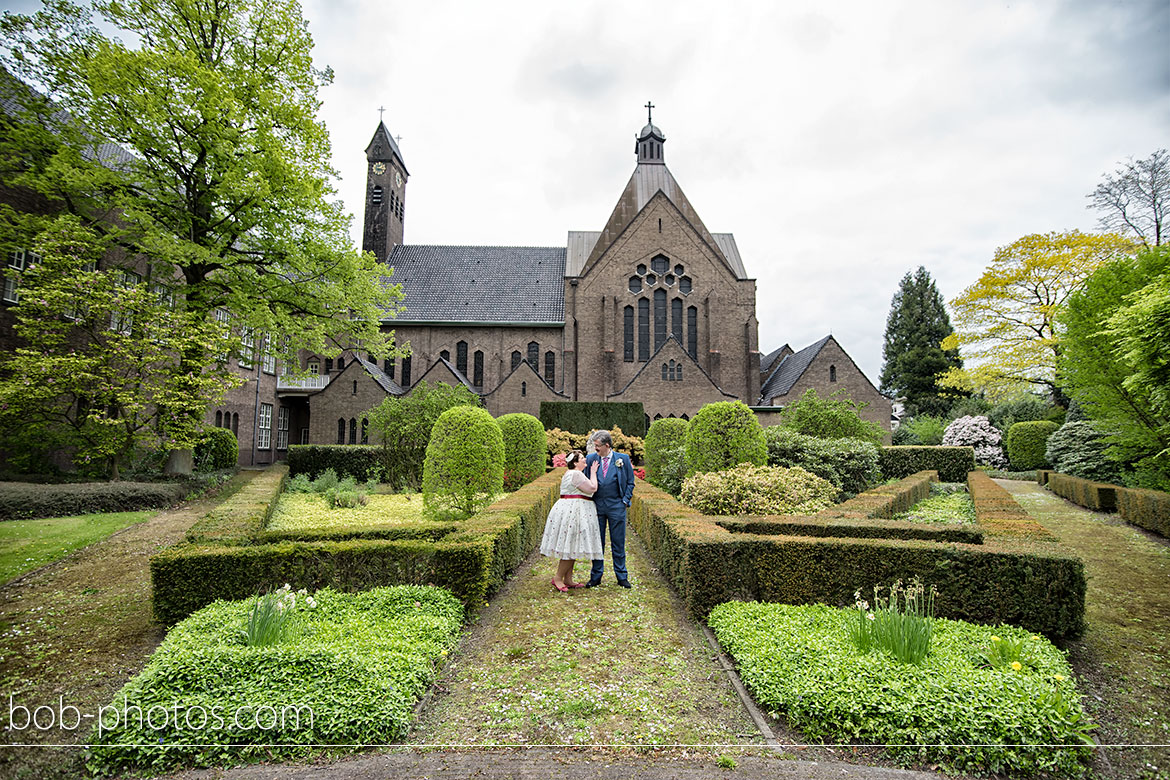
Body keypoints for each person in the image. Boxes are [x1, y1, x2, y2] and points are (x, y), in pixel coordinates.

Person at [540, 450, 603, 592]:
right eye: (582, 458)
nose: (585, 460)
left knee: (572, 544)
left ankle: (568, 579)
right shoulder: (576, 474)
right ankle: (558, 577)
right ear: (575, 463)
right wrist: (593, 472)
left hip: (571, 508)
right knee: (571, 544)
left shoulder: (571, 474)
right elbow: (593, 488)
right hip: (574, 511)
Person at [585, 430, 636, 588]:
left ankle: (621, 576)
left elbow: (630, 482)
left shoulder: (623, 459)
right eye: (594, 446)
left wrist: (625, 501)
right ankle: (596, 576)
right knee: (597, 542)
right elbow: (586, 481)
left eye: (598, 446)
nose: (596, 449)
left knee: (618, 542)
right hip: (597, 505)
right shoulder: (591, 459)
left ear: (607, 445)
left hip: (616, 506)